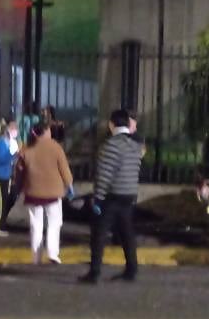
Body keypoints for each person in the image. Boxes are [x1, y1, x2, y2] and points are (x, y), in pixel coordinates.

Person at [80, 109, 143, 284]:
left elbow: (104, 175)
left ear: (111, 124)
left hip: (112, 197)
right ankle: (131, 269)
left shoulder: (110, 146)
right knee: (127, 233)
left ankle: (94, 272)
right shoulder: (135, 146)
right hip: (129, 195)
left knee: (99, 234)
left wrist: (97, 198)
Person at [17, 122, 74, 265]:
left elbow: (19, 172)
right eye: (49, 131)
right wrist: (69, 185)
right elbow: (64, 170)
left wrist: (20, 187)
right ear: (46, 132)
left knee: (36, 225)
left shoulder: (26, 149)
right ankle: (52, 253)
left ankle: (36, 257)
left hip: (32, 192)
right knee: (54, 223)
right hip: (53, 193)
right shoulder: (56, 148)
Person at [0, 118, 21, 237]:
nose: (16, 133)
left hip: (4, 175)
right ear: (10, 130)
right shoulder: (1, 142)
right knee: (1, 201)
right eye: (15, 130)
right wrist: (13, 155)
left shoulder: (8, 142)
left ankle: (0, 224)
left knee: (3, 200)